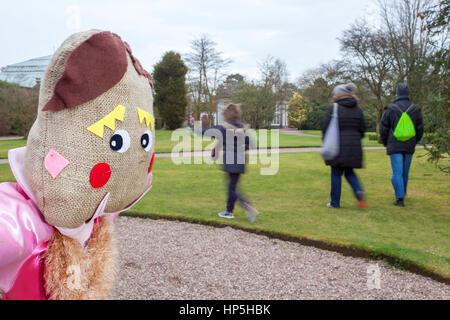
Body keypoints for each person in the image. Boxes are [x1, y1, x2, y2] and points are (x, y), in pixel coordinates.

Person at [198, 103, 258, 223]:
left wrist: (194, 124)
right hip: (241, 159)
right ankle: (229, 211)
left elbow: (205, 132)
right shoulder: (242, 128)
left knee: (232, 187)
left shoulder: (223, 128)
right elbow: (251, 144)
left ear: (226, 115)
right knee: (233, 185)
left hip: (231, 160)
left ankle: (246, 206)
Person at [321, 83, 367, 209]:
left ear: (337, 95)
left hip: (337, 145)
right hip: (354, 146)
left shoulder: (334, 108)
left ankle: (335, 203)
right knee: (349, 172)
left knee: (336, 173)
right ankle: (358, 190)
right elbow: (362, 128)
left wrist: (325, 141)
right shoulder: (358, 109)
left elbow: (325, 127)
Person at [379, 83, 424, 207]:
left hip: (395, 145)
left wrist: (385, 142)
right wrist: (414, 141)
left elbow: (383, 128)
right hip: (409, 145)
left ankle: (400, 199)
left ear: (397, 93)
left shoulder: (390, 109)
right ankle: (402, 192)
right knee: (405, 172)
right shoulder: (415, 110)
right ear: (408, 93)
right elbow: (420, 129)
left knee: (397, 173)